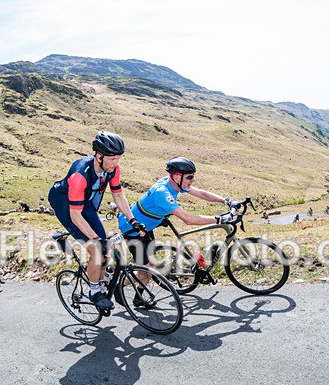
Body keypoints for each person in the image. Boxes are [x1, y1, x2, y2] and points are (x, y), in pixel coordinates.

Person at [48, 131, 142, 309]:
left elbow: (119, 196)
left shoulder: (112, 169)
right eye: (112, 159)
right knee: (98, 250)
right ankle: (93, 291)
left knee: (106, 247)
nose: (116, 163)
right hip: (65, 205)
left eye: (119, 158)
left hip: (85, 202)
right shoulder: (79, 175)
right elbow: (76, 215)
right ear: (99, 156)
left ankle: (98, 274)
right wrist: (97, 240)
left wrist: (133, 221)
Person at [118, 157, 237, 286]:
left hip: (146, 227)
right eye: (189, 177)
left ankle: (139, 298)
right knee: (147, 268)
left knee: (150, 267)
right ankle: (118, 286)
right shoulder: (162, 193)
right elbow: (188, 219)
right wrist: (220, 219)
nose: (193, 180)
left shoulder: (173, 183)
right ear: (176, 177)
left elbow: (201, 194)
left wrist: (227, 201)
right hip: (132, 229)